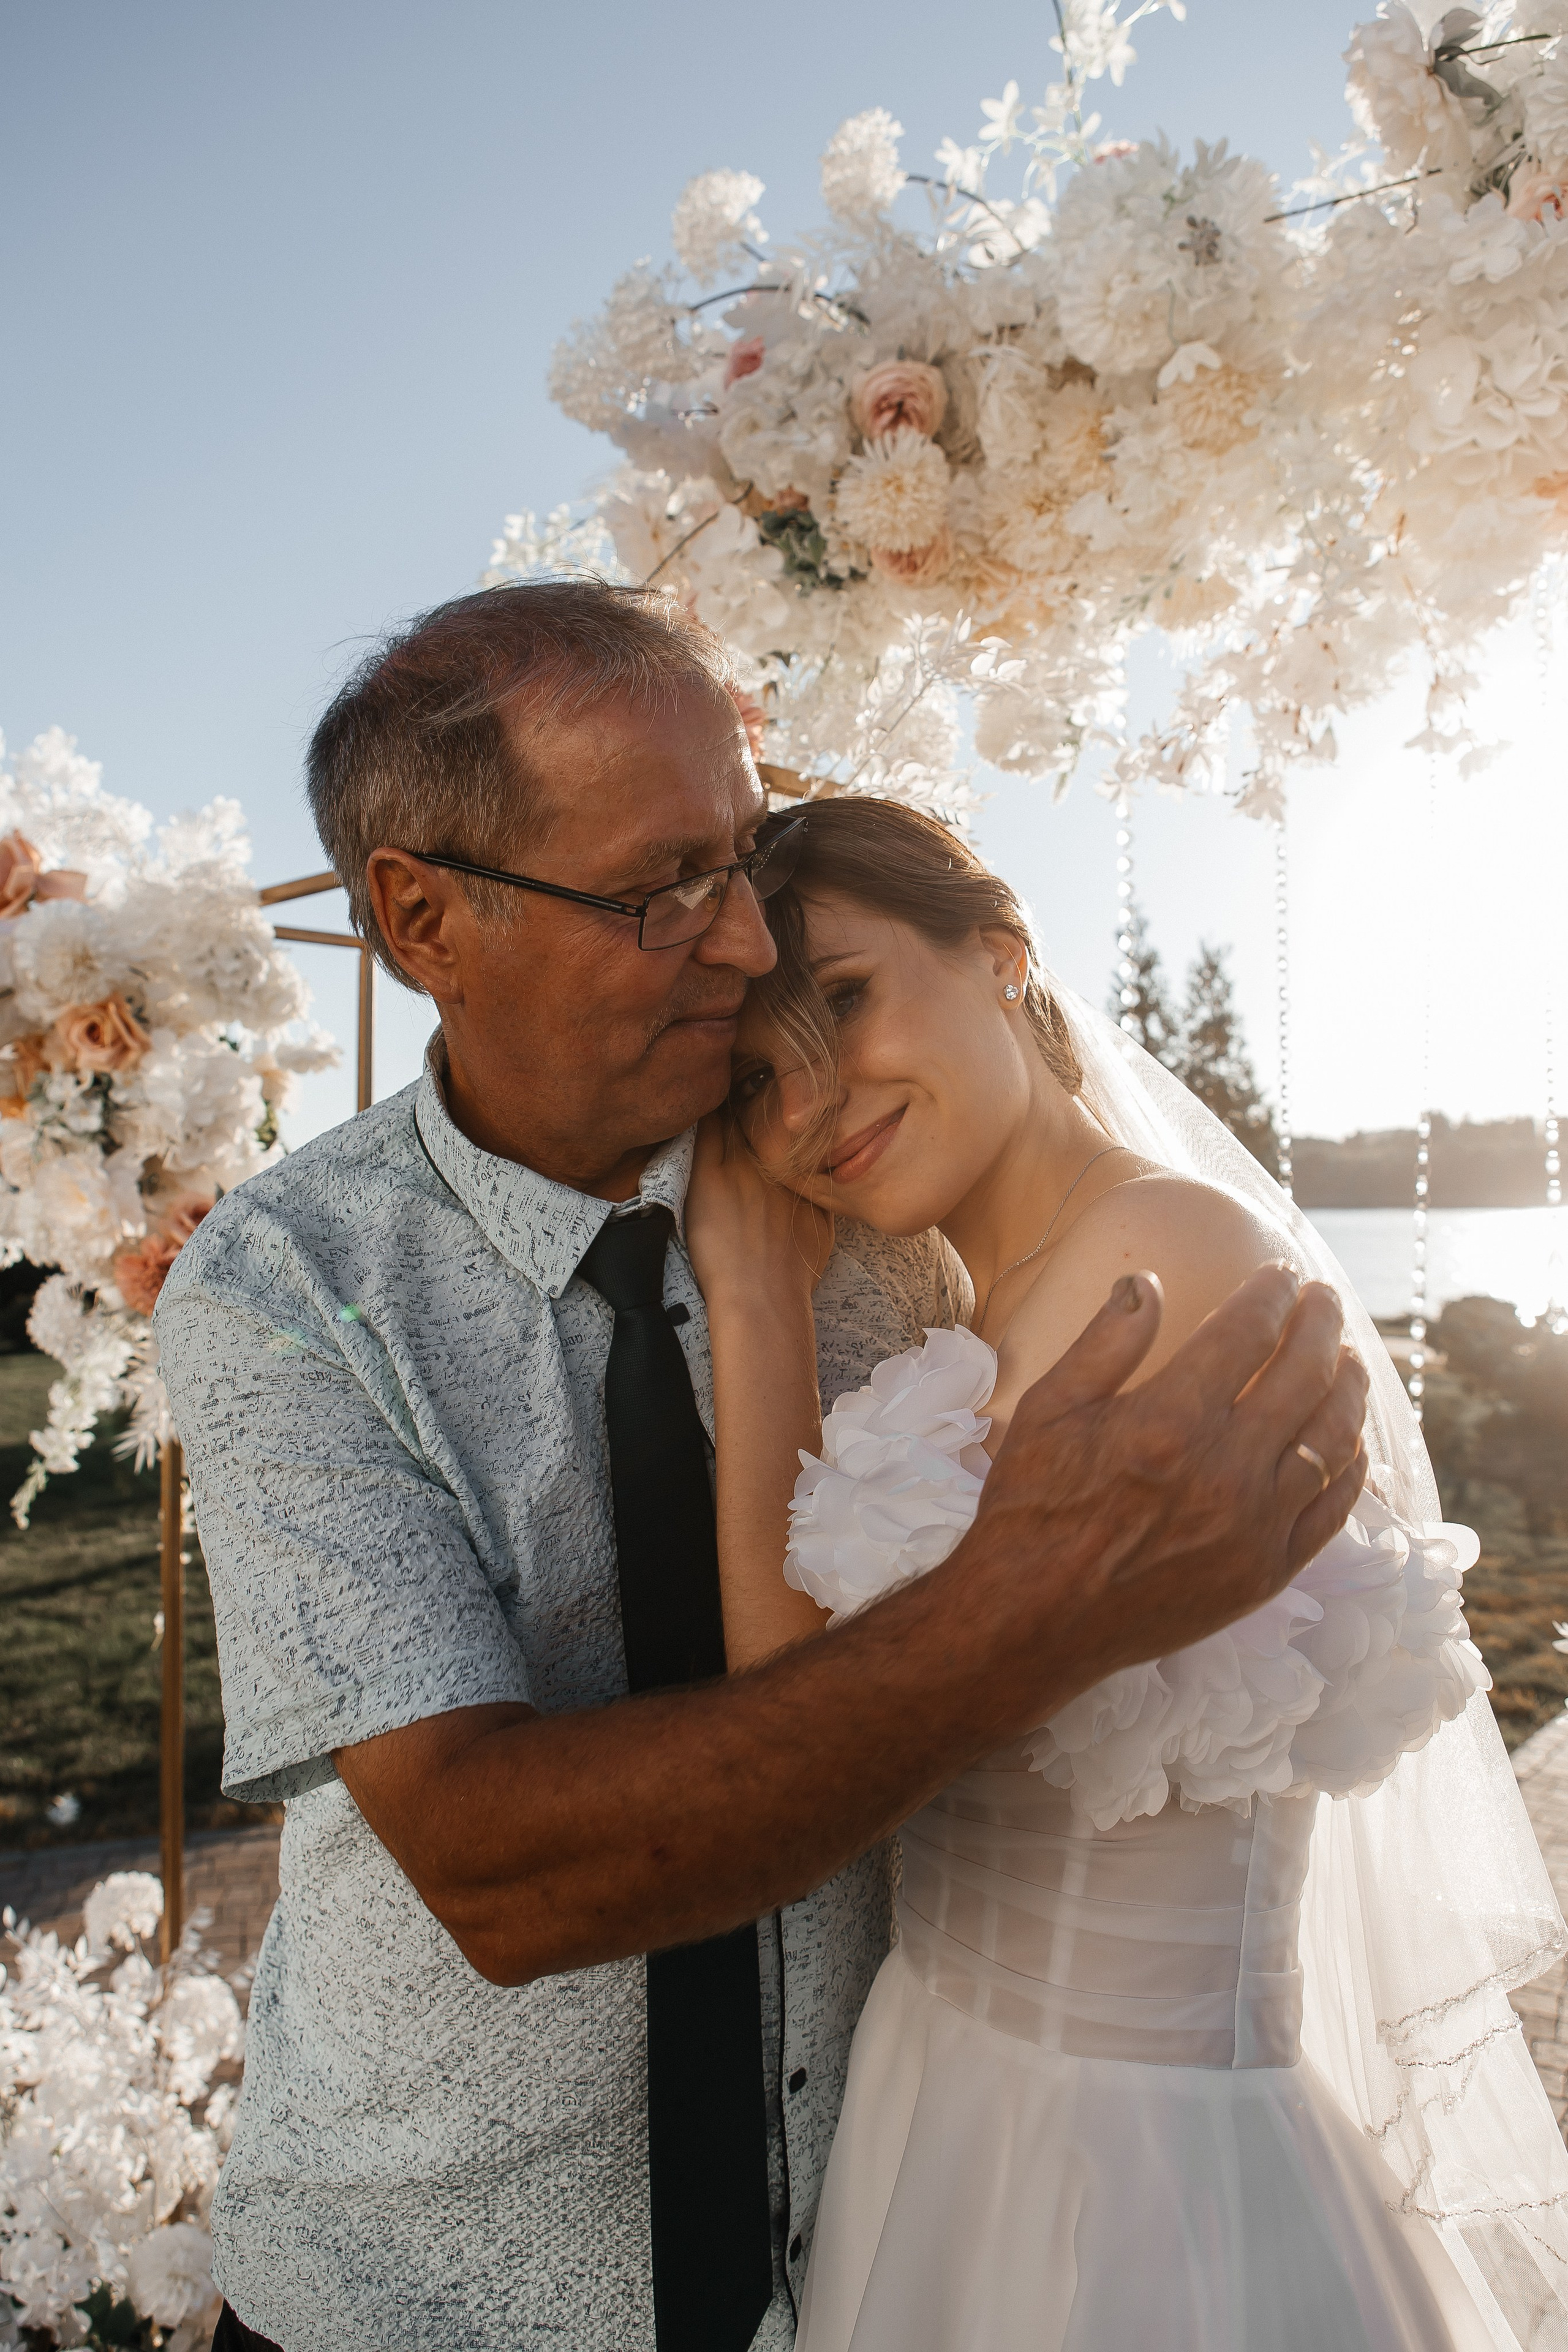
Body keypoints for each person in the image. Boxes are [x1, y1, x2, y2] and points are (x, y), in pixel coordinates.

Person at [155, 582, 1370, 2352]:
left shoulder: (894, 1207)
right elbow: (503, 1872)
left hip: (901, 2256)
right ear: (421, 918)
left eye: (741, 860)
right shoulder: (289, 1290)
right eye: (666, 890)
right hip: (428, 2302)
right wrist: (1028, 1602)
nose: (743, 945)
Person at [698, 793, 1568, 2352]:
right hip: (950, 2068)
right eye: (758, 1078)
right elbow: (804, 1733)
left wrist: (755, 1310)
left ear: (1004, 956)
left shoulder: (1158, 1260)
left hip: (1118, 2145)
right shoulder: (983, 1308)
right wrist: (761, 1299)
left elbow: (798, 1740)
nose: (812, 1107)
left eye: (843, 1000)